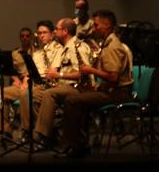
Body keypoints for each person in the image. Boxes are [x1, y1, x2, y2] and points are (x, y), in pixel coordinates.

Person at [57, 10, 133, 158]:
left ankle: (74, 145)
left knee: (72, 101)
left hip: (118, 94)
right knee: (80, 97)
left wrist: (90, 70)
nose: (94, 28)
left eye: (97, 25)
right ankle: (80, 144)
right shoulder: (107, 43)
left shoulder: (113, 46)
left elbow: (113, 78)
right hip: (111, 91)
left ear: (107, 25)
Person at [34, 18, 90, 148]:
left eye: (57, 29)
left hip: (77, 87)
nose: (55, 31)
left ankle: (43, 137)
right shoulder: (66, 48)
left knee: (49, 94)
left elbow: (83, 74)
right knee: (34, 96)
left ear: (65, 31)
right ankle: (51, 134)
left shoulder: (77, 47)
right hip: (64, 86)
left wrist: (59, 75)